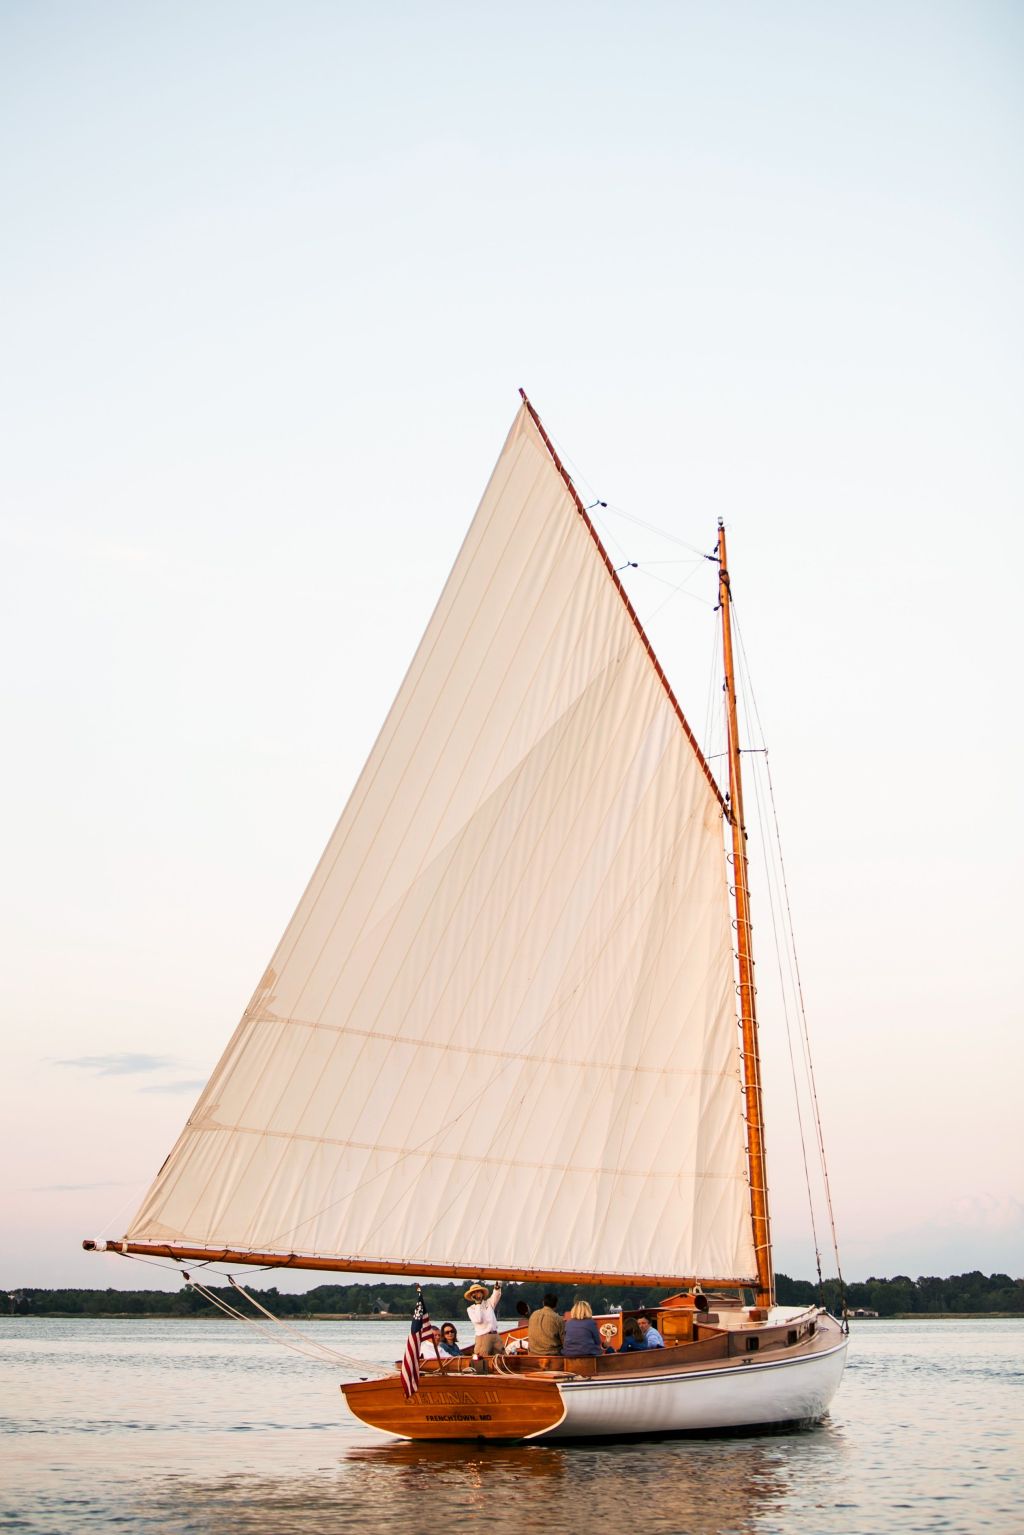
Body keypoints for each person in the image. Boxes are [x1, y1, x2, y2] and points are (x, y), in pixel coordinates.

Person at [465, 1280, 503, 1356]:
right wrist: (478, 1303)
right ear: (472, 1296)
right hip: (483, 1337)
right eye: (474, 1292)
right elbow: (478, 1320)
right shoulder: (470, 1309)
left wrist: (497, 1287)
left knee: (502, 1357)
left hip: (495, 1335)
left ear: (482, 1293)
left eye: (478, 1291)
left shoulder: (489, 1303)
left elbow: (496, 1295)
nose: (477, 1293)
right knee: (481, 1359)